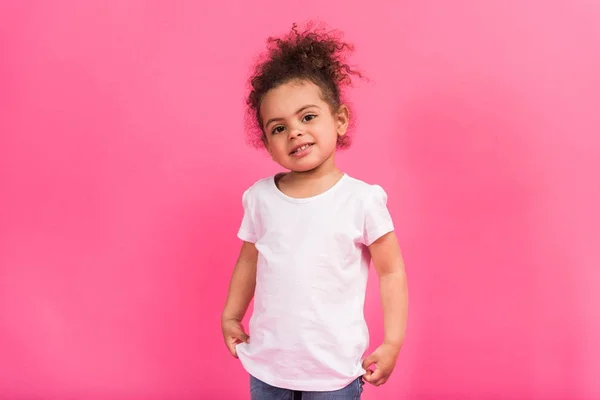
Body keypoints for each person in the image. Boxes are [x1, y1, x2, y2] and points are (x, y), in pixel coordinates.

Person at [221, 23, 408, 399]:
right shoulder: (260, 198)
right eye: (278, 127)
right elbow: (248, 262)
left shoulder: (361, 200)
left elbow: (391, 272)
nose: (295, 132)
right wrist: (231, 315)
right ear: (267, 143)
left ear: (339, 120)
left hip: (332, 372)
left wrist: (393, 342)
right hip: (268, 365)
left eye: (307, 117)